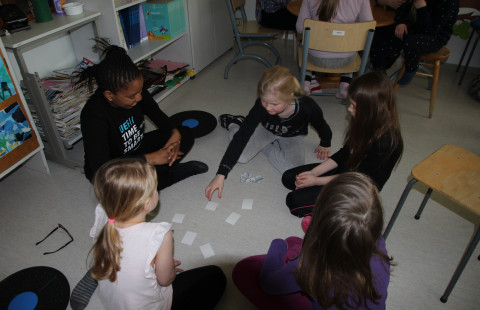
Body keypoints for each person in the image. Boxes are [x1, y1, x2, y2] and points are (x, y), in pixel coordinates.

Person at [73, 158, 226, 310]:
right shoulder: (158, 234)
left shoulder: (103, 213)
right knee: (216, 276)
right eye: (155, 189)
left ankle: (101, 269)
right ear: (147, 204)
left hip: (114, 302)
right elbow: (165, 280)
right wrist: (169, 270)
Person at [232, 172, 394, 310]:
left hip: (318, 278)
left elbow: (269, 284)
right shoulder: (378, 241)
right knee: (295, 242)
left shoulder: (312, 265)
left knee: (244, 269)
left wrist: (278, 244)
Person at [75, 42, 208, 190]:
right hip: (110, 168)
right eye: (132, 96)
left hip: (136, 151)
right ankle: (167, 175)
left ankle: (157, 176)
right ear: (109, 95)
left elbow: (157, 115)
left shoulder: (136, 91)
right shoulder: (93, 115)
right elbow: (101, 169)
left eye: (140, 91)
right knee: (124, 188)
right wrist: (151, 159)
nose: (139, 98)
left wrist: (174, 133)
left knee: (185, 133)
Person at [282, 71, 403, 220]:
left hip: (358, 188)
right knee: (288, 178)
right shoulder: (365, 121)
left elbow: (357, 179)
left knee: (294, 201)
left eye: (354, 106)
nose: (349, 109)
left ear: (372, 109)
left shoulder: (385, 143)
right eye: (350, 104)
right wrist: (314, 172)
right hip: (348, 170)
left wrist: (316, 181)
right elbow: (344, 153)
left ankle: (345, 211)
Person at [205, 65, 332, 201]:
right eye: (264, 101)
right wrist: (221, 173)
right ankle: (234, 123)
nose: (268, 107)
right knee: (241, 157)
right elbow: (242, 136)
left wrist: (326, 141)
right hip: (265, 129)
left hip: (292, 135)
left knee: (293, 172)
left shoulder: (308, 107)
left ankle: (265, 147)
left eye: (274, 104)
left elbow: (321, 124)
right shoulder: (261, 105)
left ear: (290, 96)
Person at [370, 0, 459, 85]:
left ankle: (411, 69)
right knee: (382, 33)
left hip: (436, 37)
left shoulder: (449, 2)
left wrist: (422, 8)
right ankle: (380, 71)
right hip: (416, 28)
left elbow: (431, 32)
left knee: (412, 43)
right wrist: (401, 22)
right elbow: (403, 7)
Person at [296, 0, 373, 98]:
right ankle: (345, 85)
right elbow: (369, 29)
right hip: (346, 60)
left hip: (315, 58)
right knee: (350, 45)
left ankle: (305, 83)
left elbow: (299, 28)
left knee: (304, 44)